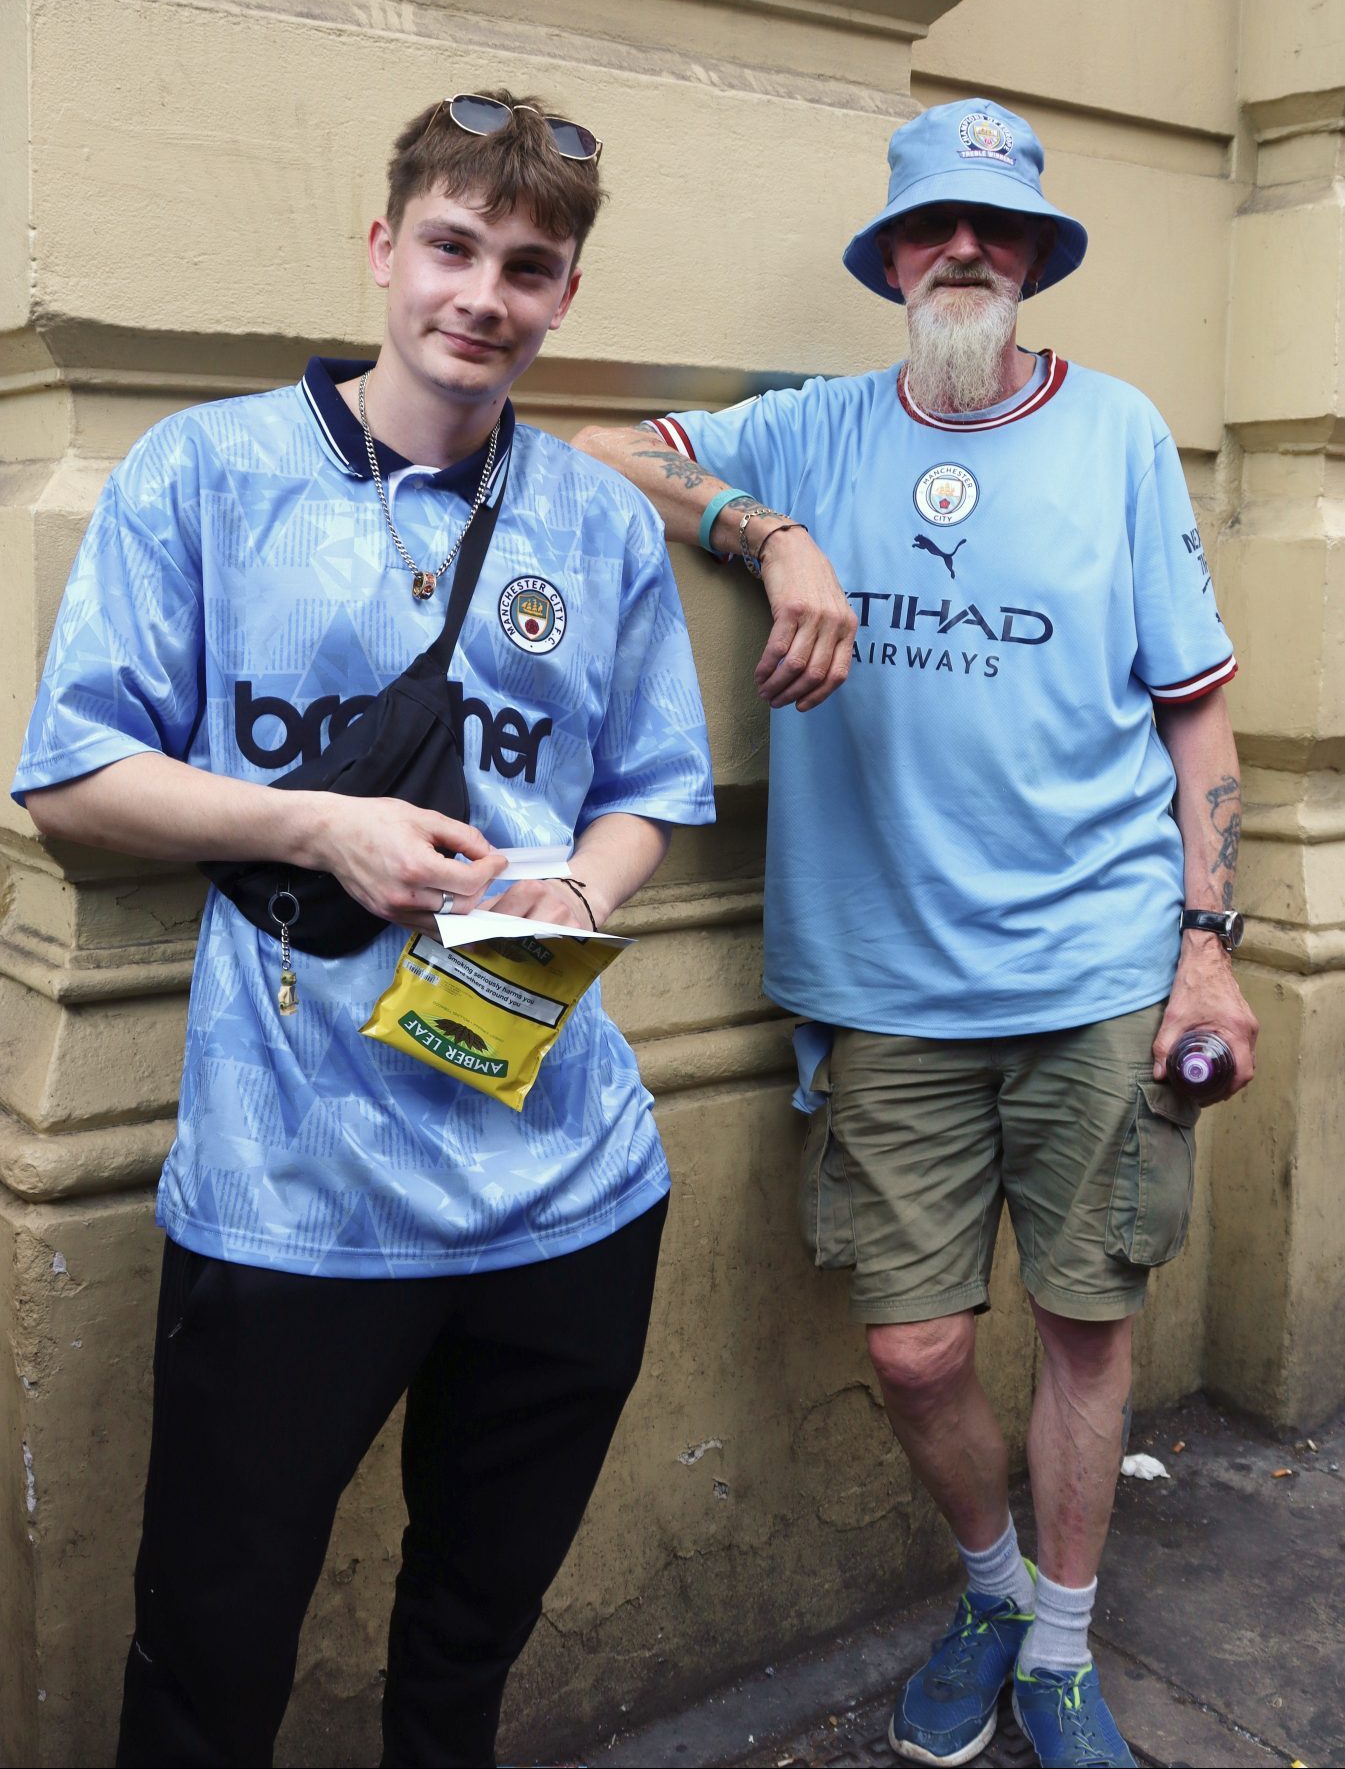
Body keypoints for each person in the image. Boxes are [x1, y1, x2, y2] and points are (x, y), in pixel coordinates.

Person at [12, 90, 715, 1768]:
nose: (484, 293)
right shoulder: (207, 472)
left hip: (565, 1188)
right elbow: (70, 778)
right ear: (383, 248)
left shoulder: (600, 520)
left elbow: (655, 786)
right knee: (208, 1657)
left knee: (464, 1657)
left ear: (561, 298)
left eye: (528, 267)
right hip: (289, 1201)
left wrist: (580, 888)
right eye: (455, 248)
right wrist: (314, 822)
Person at [575, 96, 1257, 1769]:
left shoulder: (1115, 433)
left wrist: (1206, 941)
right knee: (913, 1342)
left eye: (996, 227)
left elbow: (1198, 723)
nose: (963, 249)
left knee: (1087, 1320)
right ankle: (989, 1585)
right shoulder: (809, 431)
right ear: (890, 259)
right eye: (932, 225)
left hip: (1100, 965)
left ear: (1031, 257)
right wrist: (766, 526)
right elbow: (592, 451)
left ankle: (1066, 1650)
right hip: (883, 987)